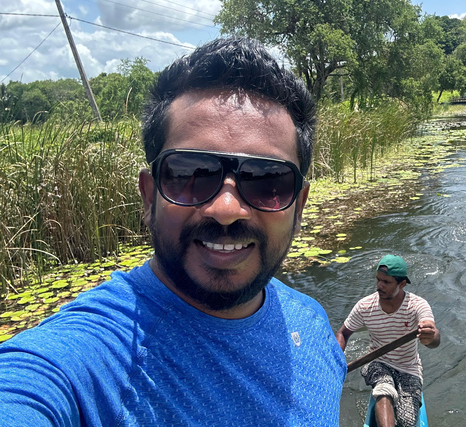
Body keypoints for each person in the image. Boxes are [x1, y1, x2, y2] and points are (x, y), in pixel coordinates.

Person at [0, 38, 347, 426]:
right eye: (190, 174)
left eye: (268, 180)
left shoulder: (314, 327)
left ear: (298, 206)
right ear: (150, 197)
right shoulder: (83, 361)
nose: (227, 210)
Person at [336, 255, 440, 427]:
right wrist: (336, 360)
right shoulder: (365, 306)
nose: (379, 286)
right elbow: (343, 333)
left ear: (402, 284)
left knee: (406, 422)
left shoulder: (417, 305)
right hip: (377, 362)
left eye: (386, 282)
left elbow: (433, 336)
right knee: (384, 390)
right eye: (378, 280)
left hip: (409, 368)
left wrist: (430, 336)